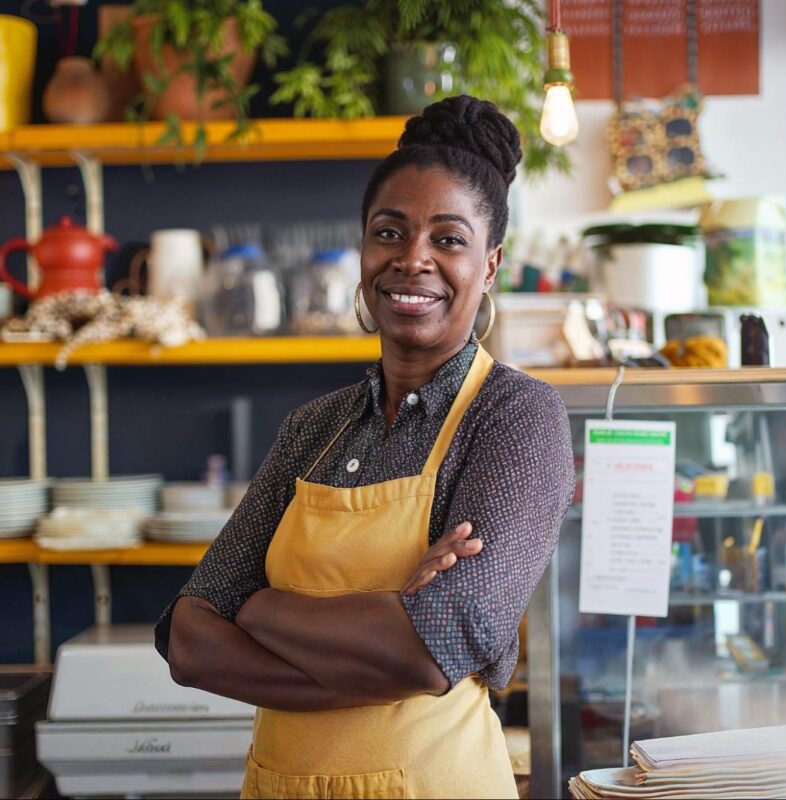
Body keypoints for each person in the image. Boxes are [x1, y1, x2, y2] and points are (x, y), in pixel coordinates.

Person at [155, 95, 575, 800]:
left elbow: (435, 646)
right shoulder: (311, 430)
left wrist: (258, 606)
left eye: (448, 239)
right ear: (363, 249)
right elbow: (189, 641)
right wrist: (383, 628)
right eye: (390, 232)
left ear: (491, 264)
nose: (413, 260)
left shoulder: (516, 418)